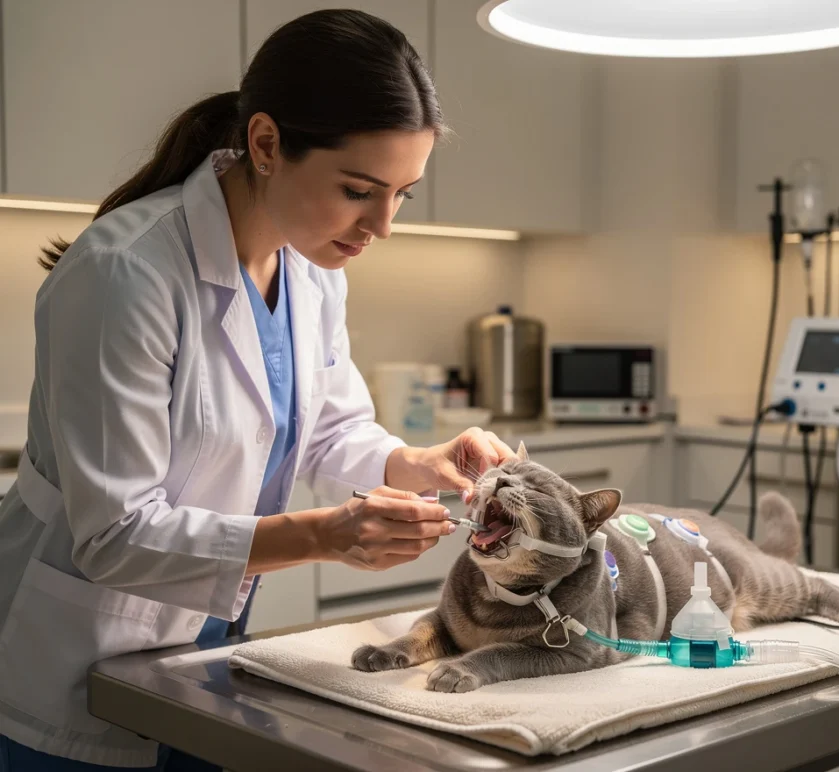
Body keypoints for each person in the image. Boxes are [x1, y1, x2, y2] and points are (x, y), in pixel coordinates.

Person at [0, 9, 514, 770]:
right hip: (82, 660)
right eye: (358, 189)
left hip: (205, 654)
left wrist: (421, 462)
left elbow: (334, 431)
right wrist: (323, 536)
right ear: (267, 144)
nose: (382, 225)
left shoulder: (309, 266)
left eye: (401, 194)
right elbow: (113, 536)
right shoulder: (125, 275)